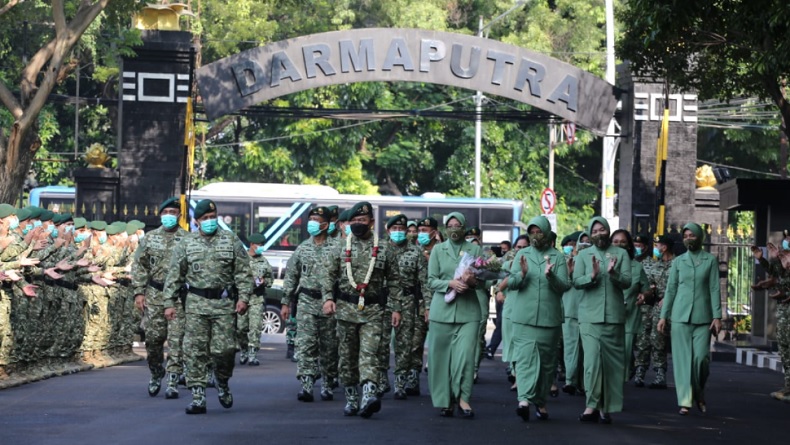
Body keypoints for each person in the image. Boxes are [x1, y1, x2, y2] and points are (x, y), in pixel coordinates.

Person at [163, 199, 252, 415]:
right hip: (195, 305)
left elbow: (243, 272)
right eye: (205, 219)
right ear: (196, 221)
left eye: (213, 217)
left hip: (223, 304)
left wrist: (244, 298)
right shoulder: (187, 243)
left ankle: (222, 381)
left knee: (225, 350)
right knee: (195, 351)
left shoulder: (230, 240)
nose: (210, 221)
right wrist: (169, 302)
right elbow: (175, 274)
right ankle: (198, 396)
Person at [321, 201, 402, 418]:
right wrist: (328, 299)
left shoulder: (384, 248)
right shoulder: (340, 246)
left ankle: (368, 394)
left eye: (362, 221)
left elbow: (394, 280)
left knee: (369, 353)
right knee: (347, 357)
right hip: (346, 309)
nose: (358, 224)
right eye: (354, 221)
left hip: (374, 310)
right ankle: (351, 398)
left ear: (372, 222)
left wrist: (396, 308)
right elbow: (327, 275)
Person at [507, 216, 570, 421]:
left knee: (546, 363)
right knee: (525, 360)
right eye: (532, 232)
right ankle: (523, 400)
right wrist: (522, 274)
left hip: (549, 319)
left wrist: (551, 276)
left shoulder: (557, 257)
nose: (535, 236)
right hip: (523, 317)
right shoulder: (522, 255)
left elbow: (564, 287)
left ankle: (541, 402)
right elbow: (512, 283)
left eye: (539, 232)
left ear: (546, 233)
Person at [657, 222, 722, 416]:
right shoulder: (678, 262)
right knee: (683, 361)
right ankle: (685, 401)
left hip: (703, 318)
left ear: (699, 237)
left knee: (701, 360)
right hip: (680, 317)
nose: (688, 238)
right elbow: (671, 290)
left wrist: (717, 316)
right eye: (685, 236)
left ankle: (699, 393)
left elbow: (714, 289)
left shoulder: (710, 260)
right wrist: (663, 316)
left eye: (691, 235)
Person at [426, 212, 486, 418]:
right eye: (450, 225)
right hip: (441, 312)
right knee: (440, 359)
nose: (454, 229)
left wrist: (472, 282)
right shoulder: (438, 250)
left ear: (464, 227)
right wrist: (450, 283)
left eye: (458, 225)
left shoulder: (475, 249)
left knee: (465, 358)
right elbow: (431, 281)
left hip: (468, 312)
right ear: (445, 228)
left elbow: (484, 281)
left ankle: (464, 399)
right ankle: (445, 400)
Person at [574, 216, 631, 424]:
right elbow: (576, 282)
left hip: (614, 318)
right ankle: (591, 405)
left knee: (611, 365)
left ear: (608, 231)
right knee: (592, 363)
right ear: (590, 234)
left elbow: (627, 282)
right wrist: (593, 276)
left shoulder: (621, 254)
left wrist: (614, 273)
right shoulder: (583, 255)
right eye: (595, 231)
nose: (599, 234)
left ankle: (606, 407)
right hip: (589, 318)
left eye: (602, 230)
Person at [281, 207, 339, 402]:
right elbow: (291, 276)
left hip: (328, 304)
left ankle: (328, 384)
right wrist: (286, 302)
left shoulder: (336, 247)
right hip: (306, 302)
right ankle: (306, 385)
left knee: (329, 346)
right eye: (311, 219)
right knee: (305, 344)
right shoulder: (303, 248)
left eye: (317, 219)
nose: (313, 222)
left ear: (326, 224)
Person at [384, 214, 428, 400]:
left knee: (405, 344)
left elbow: (424, 282)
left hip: (408, 302)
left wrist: (427, 305)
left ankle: (400, 383)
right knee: (379, 343)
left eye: (402, 229)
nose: (399, 232)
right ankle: (379, 380)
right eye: (395, 229)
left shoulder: (415, 252)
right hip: (383, 301)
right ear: (388, 230)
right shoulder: (379, 249)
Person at [407, 216, 440, 396]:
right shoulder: (414, 251)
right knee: (415, 342)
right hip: (418, 303)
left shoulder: (442, 251)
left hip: (441, 303)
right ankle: (413, 378)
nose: (421, 234)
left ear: (434, 232)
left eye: (425, 231)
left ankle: (441, 382)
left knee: (439, 345)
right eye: (419, 231)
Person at [610, 230, 650, 383]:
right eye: (615, 241)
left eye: (623, 242)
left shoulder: (637, 267)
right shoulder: (602, 262)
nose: (619, 245)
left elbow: (646, 290)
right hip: (608, 314)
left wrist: (643, 296)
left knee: (625, 353)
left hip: (629, 316)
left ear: (629, 245)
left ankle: (619, 386)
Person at [640, 234, 675, 389]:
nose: (656, 248)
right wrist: (648, 293)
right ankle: (660, 375)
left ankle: (686, 376)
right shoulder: (655, 266)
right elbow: (651, 285)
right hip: (658, 308)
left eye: (658, 245)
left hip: (676, 307)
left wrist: (668, 298)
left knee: (678, 342)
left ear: (664, 247)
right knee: (657, 339)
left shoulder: (678, 264)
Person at [488, 235, 529, 360]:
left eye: (524, 247)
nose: (520, 250)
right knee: (506, 332)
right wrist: (498, 292)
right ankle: (512, 367)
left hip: (527, 306)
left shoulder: (534, 263)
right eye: (518, 247)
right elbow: (498, 281)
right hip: (508, 303)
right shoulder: (508, 262)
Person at [237, 233, 273, 366]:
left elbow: (270, 279)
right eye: (260, 245)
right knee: (240, 328)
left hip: (257, 298)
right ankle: (244, 349)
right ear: (252, 245)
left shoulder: (264, 261)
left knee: (255, 327)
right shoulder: (241, 259)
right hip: (242, 298)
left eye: (263, 245)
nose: (261, 247)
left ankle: (252, 354)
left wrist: (264, 281)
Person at [562, 232, 587, 396]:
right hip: (570, 310)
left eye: (588, 241)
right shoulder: (567, 261)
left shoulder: (596, 262)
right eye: (583, 242)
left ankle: (583, 382)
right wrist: (569, 273)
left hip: (588, 312)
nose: (586, 244)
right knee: (571, 348)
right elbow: (562, 284)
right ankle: (570, 380)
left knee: (586, 350)